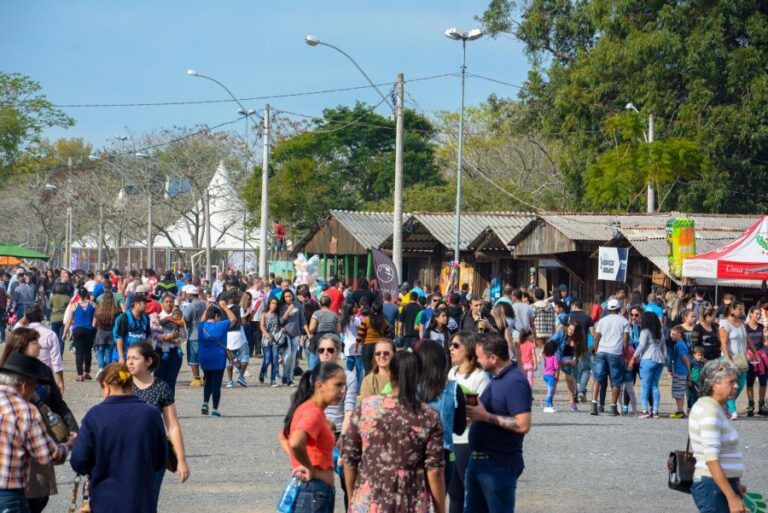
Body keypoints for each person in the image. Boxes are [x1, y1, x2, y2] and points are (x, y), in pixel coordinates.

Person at [344, 350, 446, 513]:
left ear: (390, 374)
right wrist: (441, 509)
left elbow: (349, 458)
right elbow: (435, 469)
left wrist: (352, 499)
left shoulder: (366, 408)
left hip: (369, 497)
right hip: (410, 498)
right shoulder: (428, 416)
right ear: (418, 376)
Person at [70, 362, 167, 513]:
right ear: (131, 384)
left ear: (106, 386)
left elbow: (79, 461)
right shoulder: (151, 414)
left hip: (105, 500)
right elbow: (161, 458)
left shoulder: (95, 416)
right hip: (141, 500)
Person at [1, 329, 77, 513]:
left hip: (35, 447)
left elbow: (59, 404)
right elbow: (51, 456)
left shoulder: (42, 371)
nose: (40, 346)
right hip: (20, 471)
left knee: (37, 497)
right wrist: (69, 444)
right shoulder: (26, 411)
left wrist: (73, 428)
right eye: (35, 343)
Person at [464, 335, 532, 513]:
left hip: (498, 465)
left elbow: (523, 424)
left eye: (480, 357)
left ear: (493, 358)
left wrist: (486, 416)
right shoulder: (498, 378)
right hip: (479, 463)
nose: (477, 361)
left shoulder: (515, 382)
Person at [280, 362, 346, 513]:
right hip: (314, 491)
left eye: (343, 386)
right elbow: (296, 442)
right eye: (337, 385)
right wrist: (307, 466)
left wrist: (298, 461)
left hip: (315, 491)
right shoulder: (313, 412)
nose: (342, 391)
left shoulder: (307, 409)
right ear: (320, 385)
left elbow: (283, 436)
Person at [127, 343, 190, 498]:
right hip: (126, 453)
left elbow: (173, 426)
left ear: (148, 361)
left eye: (135, 358)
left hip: (154, 454)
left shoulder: (162, 388)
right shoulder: (121, 387)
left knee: (148, 502)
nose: (130, 362)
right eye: (128, 358)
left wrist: (181, 460)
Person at [689, 360, 748, 513]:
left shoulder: (712, 407)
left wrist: (734, 484)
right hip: (713, 487)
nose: (736, 386)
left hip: (717, 485)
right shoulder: (710, 411)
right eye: (731, 381)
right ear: (715, 384)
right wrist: (731, 497)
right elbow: (711, 459)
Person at [446, 332, 488, 513]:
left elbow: (477, 412)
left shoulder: (479, 377)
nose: (451, 349)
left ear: (469, 349)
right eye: (450, 345)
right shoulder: (451, 373)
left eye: (456, 346)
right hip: (450, 440)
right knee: (454, 493)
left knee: (470, 493)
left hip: (467, 440)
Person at [415, 341, 466, 490]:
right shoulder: (454, 388)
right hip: (442, 454)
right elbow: (459, 428)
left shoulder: (408, 388)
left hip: (413, 453)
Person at [198, 301, 237, 417]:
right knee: (216, 384)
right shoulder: (221, 325)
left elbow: (202, 319)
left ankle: (205, 403)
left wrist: (207, 308)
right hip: (218, 359)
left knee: (208, 381)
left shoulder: (201, 326)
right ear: (216, 316)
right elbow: (233, 319)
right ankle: (214, 409)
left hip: (204, 358)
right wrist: (225, 306)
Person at [591, 298, 629, 416]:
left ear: (607, 308)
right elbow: (626, 340)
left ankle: (594, 405)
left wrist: (597, 349)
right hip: (615, 352)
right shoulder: (624, 321)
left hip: (602, 351)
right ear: (618, 309)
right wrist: (626, 355)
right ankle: (613, 408)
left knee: (598, 379)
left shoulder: (602, 321)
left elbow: (597, 336)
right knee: (616, 381)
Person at [18, 304, 64, 393]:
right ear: (42, 316)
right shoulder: (50, 334)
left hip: (25, 378)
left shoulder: (21, 333)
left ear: (26, 317)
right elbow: (56, 361)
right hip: (44, 378)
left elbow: (17, 325)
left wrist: (26, 316)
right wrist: (60, 381)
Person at [629, 314, 668, 419]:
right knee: (655, 386)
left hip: (648, 359)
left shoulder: (645, 331)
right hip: (659, 360)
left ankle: (644, 410)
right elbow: (664, 347)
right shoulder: (660, 332)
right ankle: (655, 411)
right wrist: (666, 359)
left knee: (645, 386)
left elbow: (641, 345)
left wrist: (633, 357)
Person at [719, 302, 748, 419]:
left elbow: (747, 339)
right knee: (732, 386)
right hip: (729, 358)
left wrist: (754, 353)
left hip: (741, 359)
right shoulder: (725, 324)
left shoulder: (742, 323)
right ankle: (732, 411)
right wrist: (728, 359)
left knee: (740, 386)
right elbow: (723, 344)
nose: (741, 312)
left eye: (742, 309)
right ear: (732, 309)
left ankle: (725, 405)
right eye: (740, 309)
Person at [279, 289, 310, 387]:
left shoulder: (298, 305)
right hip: (286, 334)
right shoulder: (282, 307)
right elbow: (281, 321)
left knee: (293, 357)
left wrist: (308, 333)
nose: (288, 298)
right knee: (287, 356)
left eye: (289, 296)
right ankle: (284, 375)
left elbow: (302, 320)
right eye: (286, 297)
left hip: (296, 334)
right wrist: (288, 311)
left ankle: (290, 379)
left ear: (292, 296)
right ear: (284, 298)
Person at [65, 287, 97, 382]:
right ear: (87, 294)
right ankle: (87, 372)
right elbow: (95, 318)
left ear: (78, 295)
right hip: (89, 330)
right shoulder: (93, 304)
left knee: (79, 352)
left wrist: (65, 332)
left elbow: (69, 321)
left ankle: (80, 374)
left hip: (77, 330)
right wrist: (93, 328)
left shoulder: (73, 305)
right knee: (88, 351)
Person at [113, 292, 151, 364]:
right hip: (125, 356)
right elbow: (119, 339)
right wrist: (121, 357)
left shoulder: (146, 318)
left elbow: (148, 337)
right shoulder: (125, 318)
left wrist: (149, 354)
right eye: (144, 303)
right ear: (137, 304)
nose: (146, 305)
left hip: (139, 356)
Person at [744, 306, 767, 416]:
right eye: (756, 314)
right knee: (750, 381)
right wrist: (747, 354)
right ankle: (750, 404)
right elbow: (743, 342)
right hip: (749, 356)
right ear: (751, 314)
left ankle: (762, 405)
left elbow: (764, 342)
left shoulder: (761, 327)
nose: (758, 316)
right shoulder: (745, 327)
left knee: (763, 381)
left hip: (761, 356)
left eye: (760, 314)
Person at [356, 301, 390, 374]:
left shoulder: (366, 319)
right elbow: (388, 337)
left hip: (367, 346)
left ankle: (368, 384)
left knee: (367, 371)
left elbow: (360, 334)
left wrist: (356, 346)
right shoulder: (384, 321)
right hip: (379, 347)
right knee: (378, 370)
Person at [93, 290, 121, 379]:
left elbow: (93, 324)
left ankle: (101, 368)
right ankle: (107, 370)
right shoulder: (116, 312)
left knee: (100, 351)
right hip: (111, 333)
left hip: (101, 333)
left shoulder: (98, 311)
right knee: (109, 352)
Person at [181, 287, 206, 387]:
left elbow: (185, 319)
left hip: (194, 335)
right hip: (206, 333)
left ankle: (197, 378)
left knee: (193, 358)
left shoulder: (190, 306)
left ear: (190, 295)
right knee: (205, 357)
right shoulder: (205, 303)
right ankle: (206, 377)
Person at [308, 295, 339, 371]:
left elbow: (311, 329)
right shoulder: (334, 315)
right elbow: (338, 330)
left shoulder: (316, 313)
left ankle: (312, 378)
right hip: (331, 339)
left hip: (319, 339)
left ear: (319, 303)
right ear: (330, 304)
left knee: (314, 362)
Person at [259, 296, 282, 386]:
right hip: (266, 340)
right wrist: (265, 333)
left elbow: (279, 326)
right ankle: (262, 371)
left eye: (276, 303)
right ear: (269, 304)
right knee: (267, 359)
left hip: (275, 340)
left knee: (275, 359)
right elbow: (261, 325)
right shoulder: (264, 314)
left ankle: (273, 380)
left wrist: (280, 332)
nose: (274, 305)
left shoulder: (277, 315)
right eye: (273, 303)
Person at [340, 303, 363, 389]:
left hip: (348, 346)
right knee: (359, 369)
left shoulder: (344, 320)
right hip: (357, 345)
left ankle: (346, 386)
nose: (357, 308)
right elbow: (361, 331)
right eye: (355, 307)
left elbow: (342, 332)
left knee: (348, 369)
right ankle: (358, 388)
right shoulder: (356, 320)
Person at [49, 282, 70, 355]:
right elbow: (69, 308)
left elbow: (50, 306)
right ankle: (60, 355)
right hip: (63, 319)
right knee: (61, 338)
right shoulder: (67, 298)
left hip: (54, 318)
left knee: (54, 338)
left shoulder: (53, 297)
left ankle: (54, 354)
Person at [541, 340, 560, 413]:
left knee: (550, 391)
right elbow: (556, 367)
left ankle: (550, 405)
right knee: (550, 391)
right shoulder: (554, 357)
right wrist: (557, 375)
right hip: (551, 376)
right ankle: (547, 405)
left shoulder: (546, 357)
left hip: (545, 375)